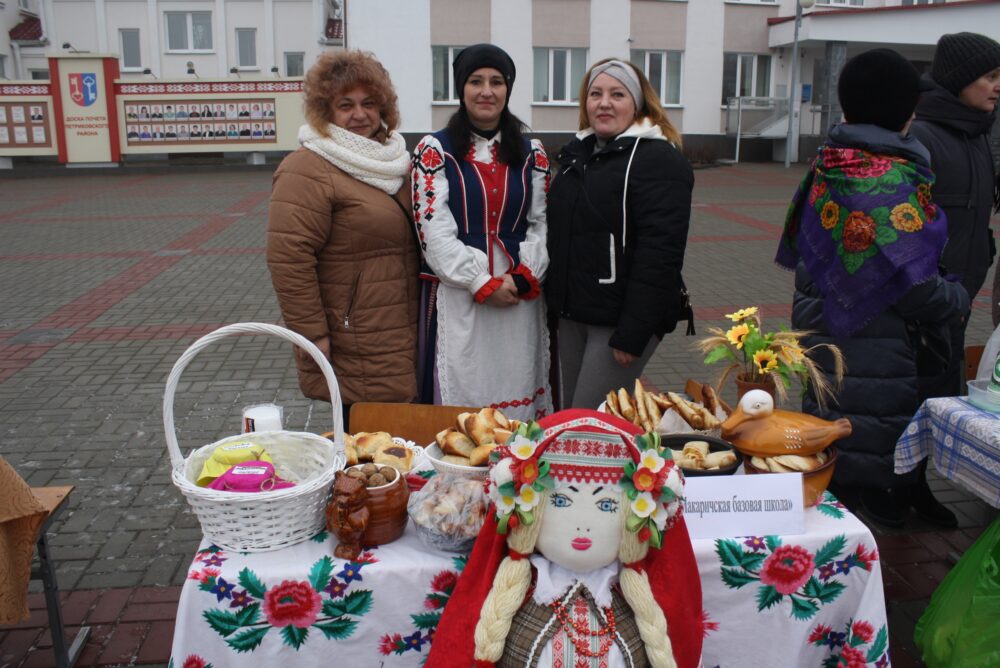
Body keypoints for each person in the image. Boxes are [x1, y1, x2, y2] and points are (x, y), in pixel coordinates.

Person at [775, 49, 970, 529]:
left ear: (846, 108)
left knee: (832, 462)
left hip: (825, 335)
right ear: (909, 114)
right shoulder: (890, 179)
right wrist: (957, 299)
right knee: (872, 488)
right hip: (883, 352)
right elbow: (915, 287)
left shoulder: (828, 164)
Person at [268, 50, 418, 427]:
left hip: (404, 325)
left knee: (402, 440)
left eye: (369, 103)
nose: (360, 115)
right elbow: (289, 257)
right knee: (368, 444)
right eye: (345, 104)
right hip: (354, 334)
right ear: (325, 110)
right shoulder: (308, 168)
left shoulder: (394, 160)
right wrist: (311, 335)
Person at [411, 44, 551, 421]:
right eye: (476, 81)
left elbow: (541, 221)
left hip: (519, 293)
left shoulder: (531, 151)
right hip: (461, 292)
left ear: (508, 89)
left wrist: (526, 274)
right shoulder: (434, 150)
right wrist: (479, 282)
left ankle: (518, 462)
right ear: (462, 89)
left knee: (517, 382)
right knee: (466, 384)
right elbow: (432, 228)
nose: (487, 91)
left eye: (496, 81)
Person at [546, 58, 693, 411]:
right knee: (571, 414)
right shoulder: (577, 156)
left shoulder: (658, 160)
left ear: (638, 103)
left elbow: (660, 254)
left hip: (618, 322)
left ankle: (620, 467)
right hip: (573, 313)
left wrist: (633, 331)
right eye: (595, 93)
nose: (604, 102)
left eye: (617, 94)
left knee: (589, 421)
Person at [909, 33, 1000, 395]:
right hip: (924, 313)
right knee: (918, 404)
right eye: (991, 77)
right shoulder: (921, 138)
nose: (998, 86)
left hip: (959, 303)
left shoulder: (976, 133)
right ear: (962, 80)